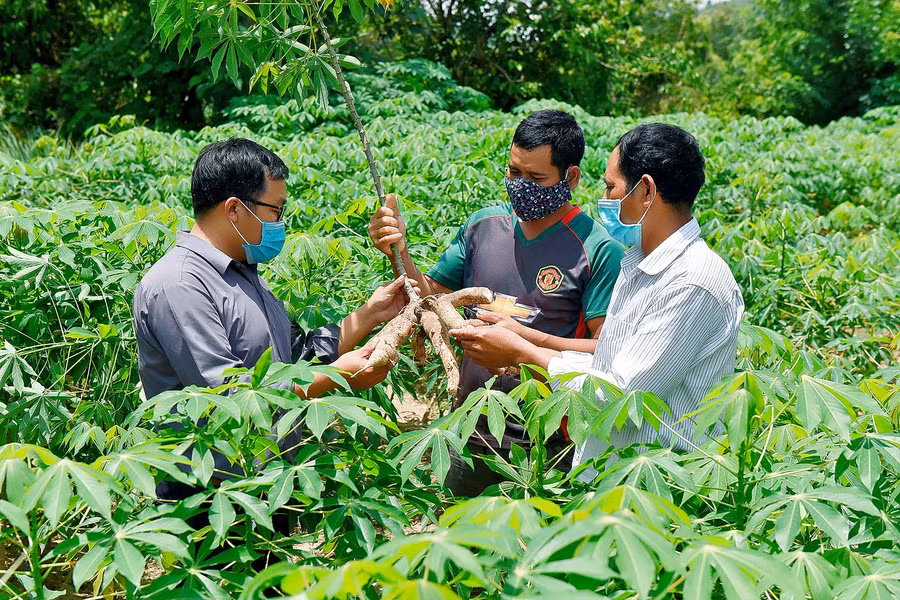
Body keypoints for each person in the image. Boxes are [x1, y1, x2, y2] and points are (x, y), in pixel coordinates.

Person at [450, 123, 744, 480]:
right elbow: (607, 367)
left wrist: (521, 354)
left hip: (653, 486)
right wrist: (526, 342)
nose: (603, 198)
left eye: (610, 186)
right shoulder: (640, 265)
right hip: (612, 477)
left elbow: (618, 397)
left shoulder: (691, 282)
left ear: (646, 190)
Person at [134, 138, 413, 499]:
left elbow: (295, 359)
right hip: (210, 495)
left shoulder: (244, 273)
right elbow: (229, 396)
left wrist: (371, 314)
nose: (279, 223)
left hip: (267, 480)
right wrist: (338, 376)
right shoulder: (179, 284)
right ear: (234, 209)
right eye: (275, 211)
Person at [368, 109, 624, 496]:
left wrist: (523, 346)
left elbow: (606, 350)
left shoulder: (597, 249)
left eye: (536, 178)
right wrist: (399, 252)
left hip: (548, 442)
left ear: (570, 177)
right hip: (469, 427)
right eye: (513, 173)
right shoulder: (482, 226)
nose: (521, 186)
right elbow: (430, 298)